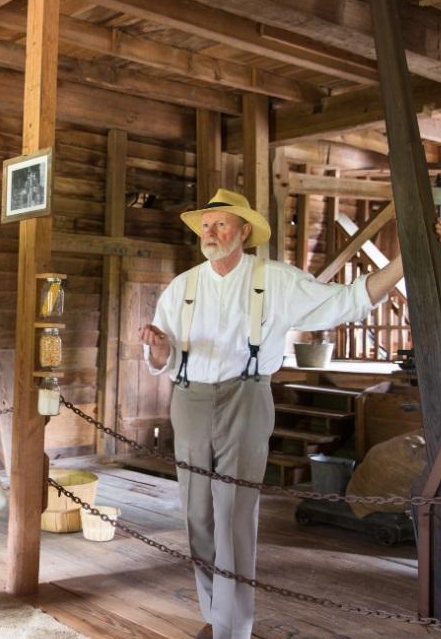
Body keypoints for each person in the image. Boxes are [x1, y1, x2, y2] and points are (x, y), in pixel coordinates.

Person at [140, 188, 404, 639]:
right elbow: (162, 356)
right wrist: (161, 348)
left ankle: (233, 626)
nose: (211, 232)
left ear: (243, 232)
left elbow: (344, 301)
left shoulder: (275, 279)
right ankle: (212, 607)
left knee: (235, 512)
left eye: (221, 224)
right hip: (190, 399)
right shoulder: (182, 287)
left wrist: (403, 265)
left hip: (246, 397)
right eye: (206, 225)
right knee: (197, 513)